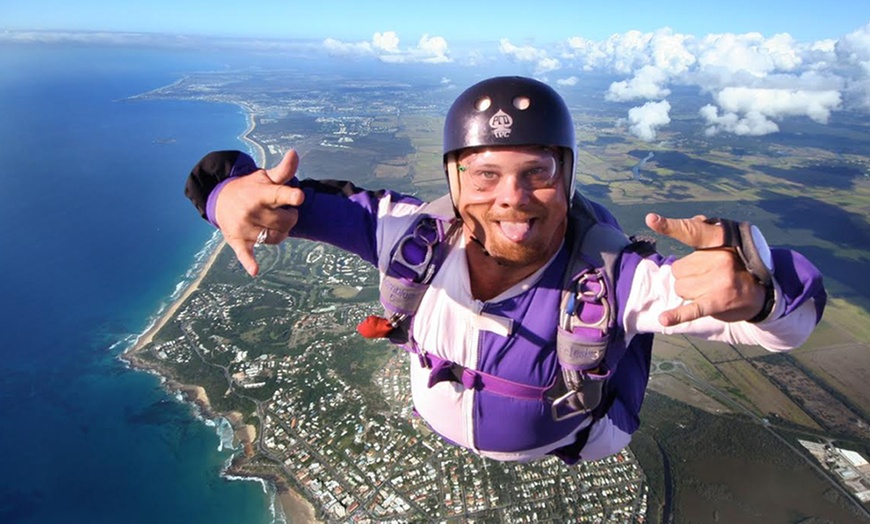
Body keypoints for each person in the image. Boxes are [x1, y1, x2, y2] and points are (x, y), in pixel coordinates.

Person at [185, 76, 826, 464]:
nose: (511, 199)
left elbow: (791, 323)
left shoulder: (618, 282)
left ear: (568, 180)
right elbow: (270, 195)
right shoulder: (408, 237)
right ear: (453, 181)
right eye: (485, 174)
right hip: (446, 412)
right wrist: (226, 196)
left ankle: (626, 349)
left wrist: (758, 286)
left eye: (537, 174)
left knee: (634, 329)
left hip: (579, 437)